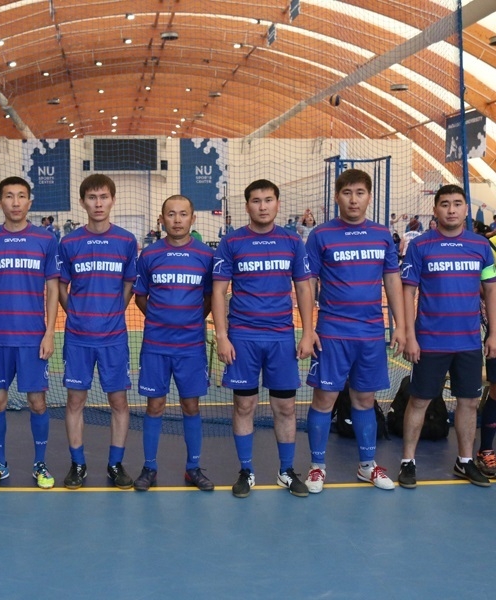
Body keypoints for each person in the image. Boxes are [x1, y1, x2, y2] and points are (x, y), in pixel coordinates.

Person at [303, 168, 406, 493]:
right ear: (337, 197)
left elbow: (392, 280)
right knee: (324, 399)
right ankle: (317, 467)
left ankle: (367, 466)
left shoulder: (382, 235)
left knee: (364, 399)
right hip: (332, 332)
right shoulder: (320, 235)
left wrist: (400, 326)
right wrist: (308, 329)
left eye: (360, 193)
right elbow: (307, 282)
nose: (353, 199)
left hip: (371, 333)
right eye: (347, 193)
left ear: (369, 197)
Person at [212, 180, 314, 498]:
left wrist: (308, 332)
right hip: (243, 337)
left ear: (277, 204)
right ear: (247, 206)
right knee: (244, 405)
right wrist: (222, 335)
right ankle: (246, 470)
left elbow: (304, 288)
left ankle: (286, 471)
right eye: (256, 200)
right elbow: (218, 291)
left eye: (268, 200)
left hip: (281, 337)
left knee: (285, 407)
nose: (263, 206)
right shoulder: (232, 241)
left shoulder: (292, 241)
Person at [398, 184, 496, 488]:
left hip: (468, 342)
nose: (451, 209)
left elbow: (491, 290)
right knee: (419, 401)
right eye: (445, 204)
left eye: (457, 203)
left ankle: (465, 461)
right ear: (435, 209)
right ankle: (408, 462)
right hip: (430, 341)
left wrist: (494, 333)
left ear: (466, 209)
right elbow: (408, 292)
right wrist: (409, 335)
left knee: (469, 402)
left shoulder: (481, 246)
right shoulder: (420, 246)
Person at [0, 176, 60, 489]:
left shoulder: (46, 239)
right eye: (9, 196)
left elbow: (53, 288)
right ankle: (0, 464)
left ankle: (40, 464)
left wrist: (49, 332)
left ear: (29, 202)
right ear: (0, 202)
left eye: (21, 196)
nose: (15, 202)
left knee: (38, 403)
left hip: (33, 338)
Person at [58, 174, 137, 490]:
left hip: (113, 338)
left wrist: (114, 312)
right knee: (74, 401)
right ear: (82, 202)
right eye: (92, 197)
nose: (98, 203)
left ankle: (115, 464)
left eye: (104, 197)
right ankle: (77, 464)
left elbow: (129, 283)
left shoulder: (127, 241)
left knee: (119, 402)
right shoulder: (69, 243)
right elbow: (61, 286)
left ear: (113, 200)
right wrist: (76, 313)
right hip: (78, 338)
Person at [132, 194, 215, 491]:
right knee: (154, 406)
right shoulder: (149, 255)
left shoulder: (206, 256)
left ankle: (193, 468)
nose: (177, 220)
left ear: (193, 218)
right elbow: (140, 296)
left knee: (191, 406)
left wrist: (190, 321)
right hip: (156, 345)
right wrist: (161, 319)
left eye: (183, 214)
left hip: (191, 346)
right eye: (171, 214)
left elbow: (210, 298)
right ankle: (149, 468)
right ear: (161, 219)